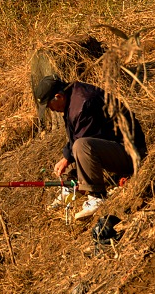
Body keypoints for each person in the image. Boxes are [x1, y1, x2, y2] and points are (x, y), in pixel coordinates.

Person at [33, 76, 147, 220]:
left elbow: (82, 141)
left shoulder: (83, 103)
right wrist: (66, 157)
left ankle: (96, 196)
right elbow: (78, 136)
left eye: (49, 106)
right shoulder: (72, 99)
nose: (51, 110)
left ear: (58, 96)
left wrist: (67, 159)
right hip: (112, 146)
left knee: (81, 146)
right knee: (74, 149)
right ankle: (72, 185)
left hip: (131, 152)